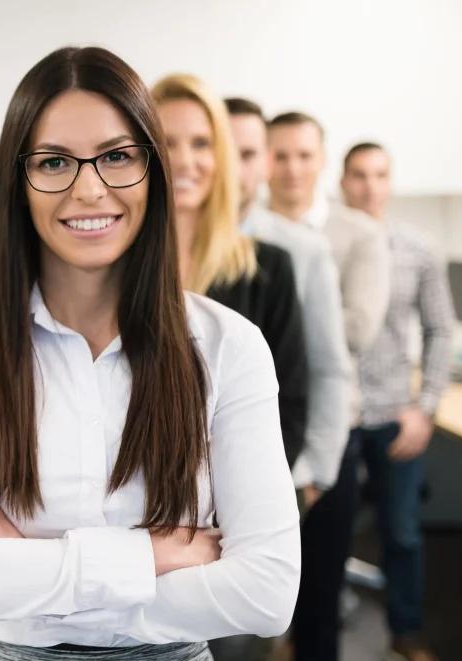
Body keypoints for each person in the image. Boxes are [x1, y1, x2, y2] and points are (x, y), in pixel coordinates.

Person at [0, 46, 299, 661]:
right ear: (19, 181)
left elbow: (268, 592)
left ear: (153, 170)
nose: (89, 189)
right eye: (55, 161)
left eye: (118, 157)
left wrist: (25, 565)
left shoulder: (229, 346)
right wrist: (151, 556)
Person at [267, 111, 392, 661]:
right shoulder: (243, 230)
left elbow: (358, 328)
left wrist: (276, 324)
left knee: (319, 596)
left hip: (331, 433)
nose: (292, 168)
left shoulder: (358, 234)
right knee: (259, 603)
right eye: (280, 155)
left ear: (321, 162)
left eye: (304, 155)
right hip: (261, 431)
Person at [153, 74, 307, 469]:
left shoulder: (270, 269)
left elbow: (288, 408)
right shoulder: (112, 271)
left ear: (222, 155)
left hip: (233, 509)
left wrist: (237, 514)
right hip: (130, 514)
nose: (185, 160)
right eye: (167, 143)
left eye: (201, 143)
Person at [340, 142, 454, 661]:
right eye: (359, 175)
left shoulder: (418, 250)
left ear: (391, 182)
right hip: (335, 415)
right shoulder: (323, 243)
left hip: (393, 415)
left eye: (379, 175)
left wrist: (425, 407)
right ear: (342, 181)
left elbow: (440, 330)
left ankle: (405, 632)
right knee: (318, 536)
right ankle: (301, 635)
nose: (369, 186)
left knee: (402, 533)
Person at [226, 98, 351, 499]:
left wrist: (313, 474)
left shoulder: (299, 250)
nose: (231, 169)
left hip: (285, 472)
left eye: (246, 155)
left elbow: (328, 367)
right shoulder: (166, 248)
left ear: (264, 163)